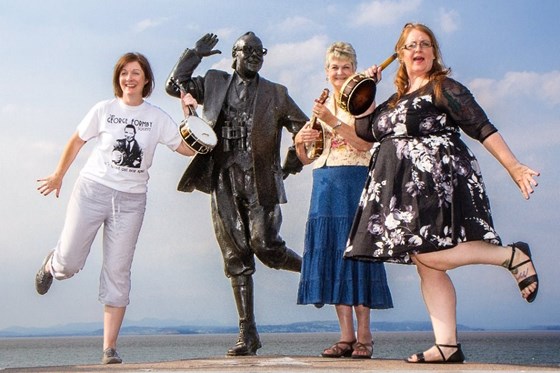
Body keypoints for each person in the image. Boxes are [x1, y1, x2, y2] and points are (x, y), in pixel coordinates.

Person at [344, 23, 540, 364]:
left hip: (438, 184)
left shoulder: (442, 87)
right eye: (409, 45)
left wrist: (514, 166)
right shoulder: (393, 100)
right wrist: (366, 88)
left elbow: (481, 126)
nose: (417, 49)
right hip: (404, 192)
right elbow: (365, 130)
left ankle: (511, 256)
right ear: (400, 55)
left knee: (430, 256)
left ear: (434, 53)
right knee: (428, 266)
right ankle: (447, 345)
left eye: (425, 44)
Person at [34, 52, 195, 364]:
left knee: (118, 271)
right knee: (69, 265)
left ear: (146, 80)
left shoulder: (157, 117)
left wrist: (189, 115)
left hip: (131, 201)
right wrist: (58, 175)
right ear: (118, 78)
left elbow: (188, 148)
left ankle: (109, 348)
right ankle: (52, 264)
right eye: (124, 73)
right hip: (92, 190)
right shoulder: (104, 110)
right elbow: (77, 141)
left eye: (136, 73)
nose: (129, 79)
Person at [165, 32, 308, 356]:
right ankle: (248, 334)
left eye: (260, 51)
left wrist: (291, 164)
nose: (255, 55)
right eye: (249, 50)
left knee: (265, 245)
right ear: (235, 53)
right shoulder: (215, 82)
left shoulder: (277, 93)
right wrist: (194, 55)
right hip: (224, 177)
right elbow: (175, 86)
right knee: (235, 256)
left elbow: (305, 128)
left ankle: (310, 270)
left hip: (260, 180)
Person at [295, 42, 393, 359]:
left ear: (353, 69)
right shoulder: (320, 106)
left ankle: (365, 336)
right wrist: (301, 141)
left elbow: (364, 145)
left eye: (345, 67)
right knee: (334, 255)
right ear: (327, 71)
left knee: (359, 254)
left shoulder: (363, 99)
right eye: (334, 68)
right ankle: (346, 336)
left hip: (354, 180)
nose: (339, 73)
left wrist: (333, 120)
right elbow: (306, 158)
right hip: (324, 182)